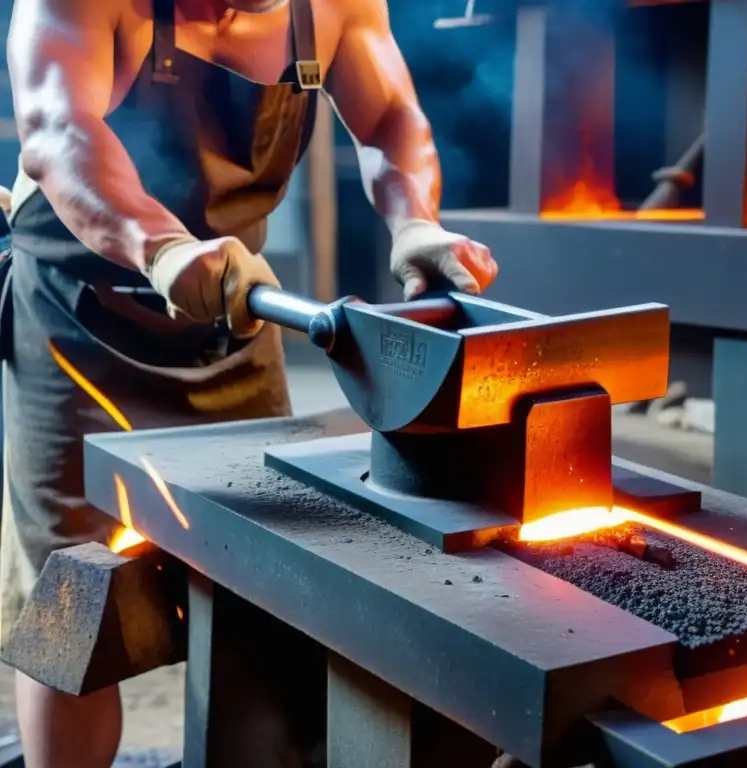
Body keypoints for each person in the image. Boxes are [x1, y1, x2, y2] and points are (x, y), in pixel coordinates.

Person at [1, 0, 498, 765]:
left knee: (256, 569)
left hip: (233, 324)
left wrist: (415, 222)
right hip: (79, 325)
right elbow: (61, 137)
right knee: (69, 595)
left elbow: (393, 117)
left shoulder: (333, 7)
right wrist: (163, 248)